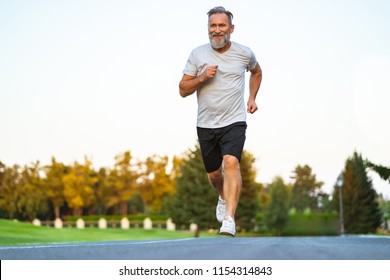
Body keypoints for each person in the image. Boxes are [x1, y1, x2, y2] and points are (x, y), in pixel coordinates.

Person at [179, 6, 262, 236]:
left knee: (231, 163)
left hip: (234, 120)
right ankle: (223, 196)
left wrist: (252, 98)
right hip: (206, 123)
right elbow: (182, 89)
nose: (217, 30)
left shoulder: (244, 53)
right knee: (215, 175)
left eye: (221, 25)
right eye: (212, 26)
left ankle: (229, 219)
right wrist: (202, 77)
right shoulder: (198, 55)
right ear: (208, 29)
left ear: (231, 28)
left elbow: (257, 72)